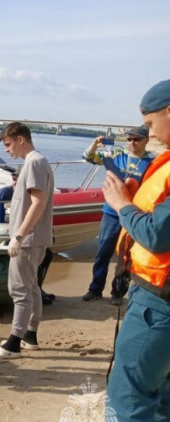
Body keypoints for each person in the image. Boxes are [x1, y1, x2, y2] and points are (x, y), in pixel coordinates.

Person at [103, 79, 170, 421]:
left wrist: (122, 205)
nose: (152, 134)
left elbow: (159, 235)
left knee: (127, 396)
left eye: (150, 124)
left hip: (159, 304)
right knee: (161, 399)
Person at [0, 122, 54, 360]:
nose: (6, 150)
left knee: (19, 289)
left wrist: (19, 236)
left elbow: (38, 202)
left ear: (21, 140)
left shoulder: (33, 162)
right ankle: (30, 335)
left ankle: (13, 343)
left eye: (8, 144)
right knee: (32, 286)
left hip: (29, 239)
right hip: (37, 237)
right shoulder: (38, 161)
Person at [81, 126, 154, 305]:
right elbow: (88, 158)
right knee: (104, 251)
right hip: (112, 212)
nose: (132, 143)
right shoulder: (117, 155)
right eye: (129, 139)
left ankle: (118, 292)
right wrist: (95, 144)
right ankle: (95, 288)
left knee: (125, 256)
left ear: (146, 141)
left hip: (134, 213)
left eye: (136, 140)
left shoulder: (152, 163)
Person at [0, 169, 56, 306]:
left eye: (19, 179)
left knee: (47, 255)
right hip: (6, 235)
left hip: (27, 236)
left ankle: (38, 289)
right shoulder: (4, 193)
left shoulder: (35, 195)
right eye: (14, 179)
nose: (16, 182)